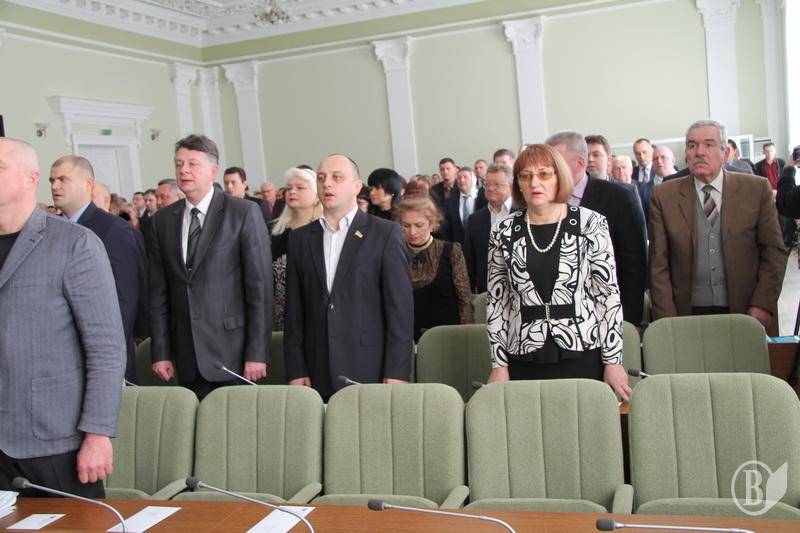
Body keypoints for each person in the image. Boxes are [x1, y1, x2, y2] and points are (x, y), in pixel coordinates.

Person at [0, 138, 126, 497]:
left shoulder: (74, 244)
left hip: (54, 437)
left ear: (30, 178)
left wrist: (98, 434)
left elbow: (106, 348)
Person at [485, 144, 630, 400]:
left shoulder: (591, 223)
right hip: (522, 354)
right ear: (518, 184)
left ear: (559, 177)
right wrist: (498, 365)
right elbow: (497, 302)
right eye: (525, 176)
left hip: (582, 350)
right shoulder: (502, 230)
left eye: (544, 174)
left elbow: (607, 297)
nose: (534, 183)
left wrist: (613, 361)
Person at [147, 135, 272, 398]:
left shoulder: (242, 213)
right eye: (179, 164)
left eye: (192, 164)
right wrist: (161, 351)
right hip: (187, 354)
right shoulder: (162, 221)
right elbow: (158, 293)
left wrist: (257, 352)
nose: (184, 170)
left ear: (213, 171)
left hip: (234, 353)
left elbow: (259, 289)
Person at [284, 154, 413, 401]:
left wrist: (397, 371)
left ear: (356, 186)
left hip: (370, 368)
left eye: (337, 177)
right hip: (316, 369)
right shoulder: (300, 239)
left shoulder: (385, 234)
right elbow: (294, 312)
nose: (327, 184)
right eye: (321, 178)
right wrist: (296, 368)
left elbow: (400, 312)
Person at [649, 120, 786, 334]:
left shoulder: (756, 189)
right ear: (686, 153)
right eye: (692, 145)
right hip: (686, 314)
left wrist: (762, 303)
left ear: (725, 152)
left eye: (709, 144)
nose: (699, 152)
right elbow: (658, 264)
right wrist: (667, 320)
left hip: (746, 311)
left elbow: (774, 251)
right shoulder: (664, 195)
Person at [50, 155, 144, 384]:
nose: (54, 186)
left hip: (101, 359)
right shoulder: (52, 229)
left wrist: (102, 355)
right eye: (52, 180)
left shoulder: (113, 229)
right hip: (61, 359)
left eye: (63, 179)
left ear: (88, 184)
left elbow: (124, 300)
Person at [546, 131, 647, 326]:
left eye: (555, 162)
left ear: (579, 163)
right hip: (557, 318)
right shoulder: (544, 200)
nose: (549, 169)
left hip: (606, 315)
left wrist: (629, 321)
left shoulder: (619, 197)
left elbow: (634, 264)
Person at [396, 196, 473, 341]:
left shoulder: (451, 251)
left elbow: (465, 299)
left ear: (432, 224)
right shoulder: (394, 253)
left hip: (447, 337)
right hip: (406, 336)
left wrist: (466, 337)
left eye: (419, 225)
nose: (412, 232)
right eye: (406, 225)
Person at [270, 167, 323, 331]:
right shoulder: (274, 231)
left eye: (300, 188)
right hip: (281, 316)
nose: (292, 192)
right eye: (289, 188)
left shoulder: (324, 232)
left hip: (317, 315)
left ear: (317, 197)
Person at [463, 163, 514, 294]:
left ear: (511, 186)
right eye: (487, 184)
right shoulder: (475, 219)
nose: (490, 188)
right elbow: (469, 261)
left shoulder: (524, 214)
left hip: (520, 290)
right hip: (486, 291)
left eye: (497, 184)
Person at [444, 166, 487, 245]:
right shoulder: (450, 201)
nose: (462, 180)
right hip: (459, 246)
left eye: (465, 177)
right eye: (459, 178)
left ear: (473, 179)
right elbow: (448, 228)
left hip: (481, 244)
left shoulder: (484, 196)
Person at [640, 146, 677, 222]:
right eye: (655, 159)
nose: (659, 161)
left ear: (673, 160)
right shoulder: (644, 191)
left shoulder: (687, 182)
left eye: (663, 157)